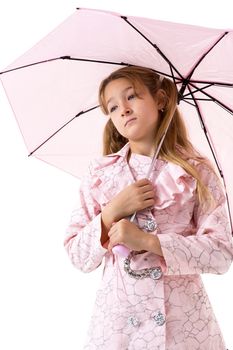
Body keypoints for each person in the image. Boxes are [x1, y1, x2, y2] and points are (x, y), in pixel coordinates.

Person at [64, 66, 233, 349]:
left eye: (132, 97)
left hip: (183, 326)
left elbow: (221, 253)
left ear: (162, 100)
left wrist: (148, 241)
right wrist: (110, 213)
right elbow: (77, 256)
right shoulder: (100, 173)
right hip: (119, 327)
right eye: (113, 106)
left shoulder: (196, 171)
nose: (123, 110)